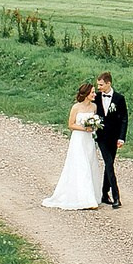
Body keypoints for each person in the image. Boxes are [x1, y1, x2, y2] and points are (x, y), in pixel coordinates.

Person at [40, 82, 103, 210]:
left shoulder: (94, 107)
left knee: (90, 164)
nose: (94, 94)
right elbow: (71, 125)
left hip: (89, 140)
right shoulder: (76, 107)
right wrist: (84, 128)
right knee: (81, 166)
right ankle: (83, 199)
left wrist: (93, 127)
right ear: (86, 94)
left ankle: (91, 196)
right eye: (92, 92)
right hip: (79, 139)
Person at [93, 71, 128, 208]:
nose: (99, 87)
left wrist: (121, 138)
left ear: (109, 83)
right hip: (101, 137)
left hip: (114, 138)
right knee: (109, 163)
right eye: (98, 85)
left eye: (101, 85)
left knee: (109, 164)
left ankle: (103, 193)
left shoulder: (119, 98)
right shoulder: (95, 97)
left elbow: (124, 119)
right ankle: (116, 197)